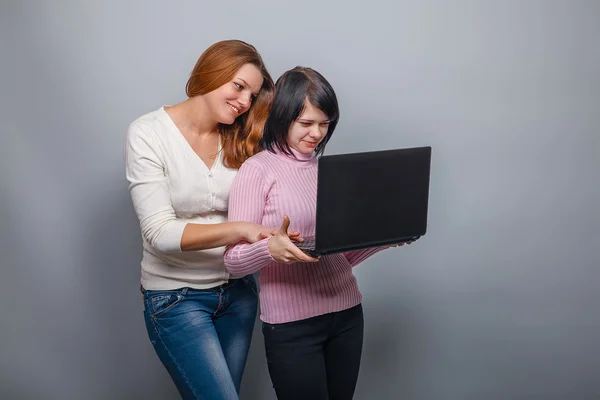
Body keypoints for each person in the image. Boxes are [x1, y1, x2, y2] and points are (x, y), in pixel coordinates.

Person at [124, 40, 299, 400]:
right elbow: (160, 233)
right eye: (239, 86)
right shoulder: (148, 133)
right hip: (176, 298)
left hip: (239, 294)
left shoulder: (242, 135)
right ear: (210, 72)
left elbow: (286, 178)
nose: (245, 102)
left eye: (252, 95)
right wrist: (241, 229)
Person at [223, 66, 411, 400]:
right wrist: (270, 249)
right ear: (282, 117)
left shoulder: (327, 171)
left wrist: (382, 239)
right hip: (292, 326)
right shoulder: (258, 170)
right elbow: (233, 262)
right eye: (306, 123)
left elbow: (337, 253)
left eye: (325, 124)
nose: (317, 134)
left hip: (347, 313)